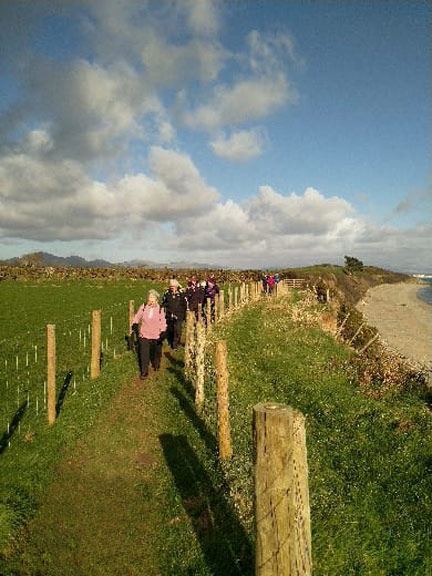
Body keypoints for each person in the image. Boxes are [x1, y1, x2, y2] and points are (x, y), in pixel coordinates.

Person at [131, 289, 167, 379]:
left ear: (156, 299)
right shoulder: (143, 306)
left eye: (152, 297)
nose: (150, 299)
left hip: (156, 335)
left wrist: (163, 332)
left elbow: (163, 321)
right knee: (144, 354)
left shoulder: (160, 309)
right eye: (149, 297)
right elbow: (137, 316)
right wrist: (135, 323)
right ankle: (144, 372)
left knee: (156, 353)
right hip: (144, 335)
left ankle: (156, 364)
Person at [161, 279, 187, 350]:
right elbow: (163, 302)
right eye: (171, 286)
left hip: (179, 314)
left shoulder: (182, 293)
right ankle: (170, 341)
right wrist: (162, 309)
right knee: (170, 329)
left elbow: (185, 304)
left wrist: (185, 314)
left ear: (176, 286)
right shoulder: (167, 293)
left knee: (177, 329)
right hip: (169, 314)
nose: (172, 288)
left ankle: (175, 345)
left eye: (173, 286)